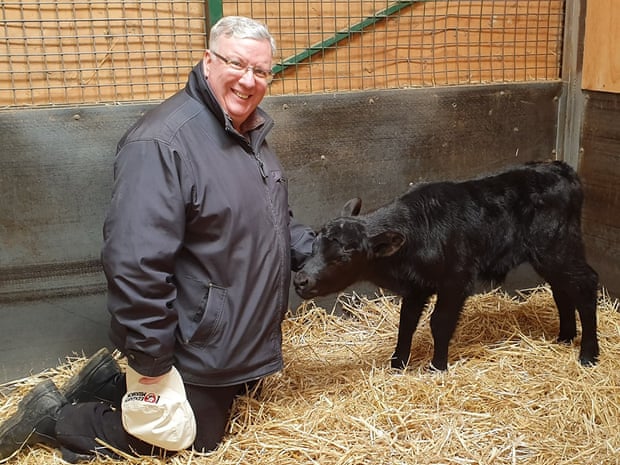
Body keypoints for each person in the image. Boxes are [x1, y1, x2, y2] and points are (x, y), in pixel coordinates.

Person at [0, 15, 314, 462]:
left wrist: (322, 252)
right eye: (237, 64)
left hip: (238, 338)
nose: (249, 80)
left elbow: (273, 220)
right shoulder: (163, 142)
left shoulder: (250, 132)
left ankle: (108, 384)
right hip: (197, 341)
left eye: (261, 71)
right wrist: (151, 363)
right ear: (208, 61)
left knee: (237, 403)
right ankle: (55, 418)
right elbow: (135, 262)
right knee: (183, 437)